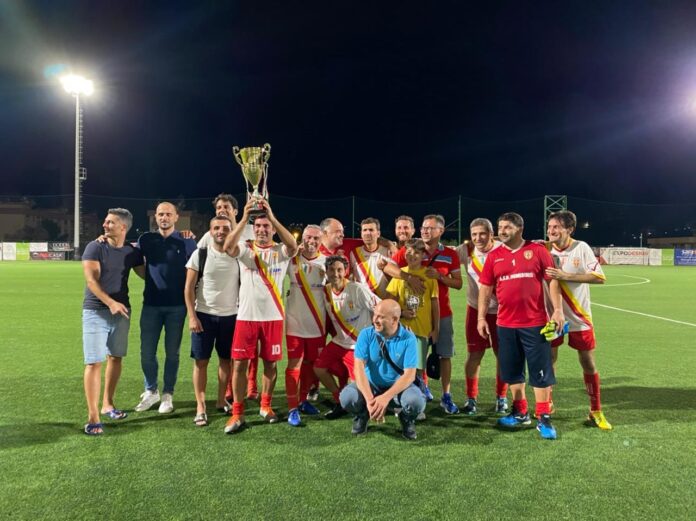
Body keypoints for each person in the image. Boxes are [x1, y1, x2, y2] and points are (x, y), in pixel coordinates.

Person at [477, 212, 564, 440]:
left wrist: (557, 310)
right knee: (512, 371)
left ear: (520, 229)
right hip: (505, 324)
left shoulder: (538, 251)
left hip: (535, 323)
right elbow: (485, 289)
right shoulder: (494, 256)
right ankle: (520, 412)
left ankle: (543, 417)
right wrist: (481, 318)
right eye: (500, 227)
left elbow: (552, 280)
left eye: (507, 227)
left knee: (540, 372)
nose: (502, 231)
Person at [222, 198, 298, 434]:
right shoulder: (245, 249)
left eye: (266, 227)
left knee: (270, 364)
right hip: (246, 317)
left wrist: (272, 216)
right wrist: (244, 217)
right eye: (258, 227)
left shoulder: (280, 251)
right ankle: (237, 413)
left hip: (273, 317)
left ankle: (266, 405)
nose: (262, 230)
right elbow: (227, 247)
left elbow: (293, 246)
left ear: (272, 229)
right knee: (239, 365)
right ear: (253, 229)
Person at [383, 214, 463, 413]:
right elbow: (387, 267)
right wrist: (408, 277)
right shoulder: (412, 249)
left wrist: (440, 277)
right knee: (413, 358)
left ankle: (446, 395)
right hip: (412, 316)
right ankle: (418, 390)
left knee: (444, 355)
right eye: (423, 227)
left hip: (441, 313)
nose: (425, 231)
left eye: (430, 228)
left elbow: (458, 283)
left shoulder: (450, 254)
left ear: (441, 231)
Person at [545, 210, 611, 430]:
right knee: (549, 360)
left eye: (556, 227)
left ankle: (595, 410)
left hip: (579, 316)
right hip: (552, 316)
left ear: (570, 229)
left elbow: (599, 277)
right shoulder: (544, 249)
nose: (551, 231)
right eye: (549, 227)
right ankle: (547, 403)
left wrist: (567, 276)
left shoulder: (581, 248)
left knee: (587, 362)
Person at [81, 208, 144, 435]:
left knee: (115, 358)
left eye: (110, 222)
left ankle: (108, 404)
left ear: (123, 227)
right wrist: (110, 303)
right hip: (95, 311)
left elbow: (148, 274)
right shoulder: (95, 247)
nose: (105, 225)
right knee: (94, 362)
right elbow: (91, 281)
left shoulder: (131, 252)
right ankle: (93, 417)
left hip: (121, 311)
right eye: (105, 221)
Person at [134, 202, 197, 414]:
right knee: (146, 352)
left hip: (177, 306)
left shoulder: (187, 241)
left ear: (176, 217)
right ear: (155, 217)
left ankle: (168, 394)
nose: (164, 217)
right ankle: (151, 390)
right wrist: (150, 279)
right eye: (160, 214)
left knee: (172, 354)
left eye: (168, 214)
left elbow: (194, 269)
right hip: (151, 305)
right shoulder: (146, 239)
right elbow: (136, 262)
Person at [196, 193, 257, 403]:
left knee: (249, 347)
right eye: (218, 208)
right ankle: (229, 389)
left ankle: (252, 384)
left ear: (236, 211)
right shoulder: (209, 235)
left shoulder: (250, 231)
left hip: (249, 297)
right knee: (230, 353)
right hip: (223, 303)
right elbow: (199, 260)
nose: (222, 210)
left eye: (226, 207)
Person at [339, 300, 426, 440]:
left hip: (398, 389)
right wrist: (370, 401)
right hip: (372, 386)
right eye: (375, 315)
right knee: (347, 397)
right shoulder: (366, 334)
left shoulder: (409, 338)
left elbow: (409, 376)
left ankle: (406, 418)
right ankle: (362, 414)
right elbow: (358, 369)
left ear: (394, 319)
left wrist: (385, 398)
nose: (375, 320)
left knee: (416, 402)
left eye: (381, 317)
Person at [184, 215, 240, 427]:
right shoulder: (201, 254)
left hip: (231, 317)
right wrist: (192, 316)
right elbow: (188, 288)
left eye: (225, 228)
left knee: (226, 360)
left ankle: (220, 399)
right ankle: (200, 407)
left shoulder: (238, 255)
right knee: (201, 362)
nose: (221, 232)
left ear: (231, 231)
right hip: (204, 316)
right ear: (210, 231)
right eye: (216, 228)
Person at [315, 255, 380, 419]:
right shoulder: (325, 292)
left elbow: (379, 306)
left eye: (339, 270)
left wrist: (395, 321)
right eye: (331, 270)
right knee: (318, 368)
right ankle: (339, 400)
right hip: (339, 342)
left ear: (345, 271)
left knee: (357, 387)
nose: (335, 274)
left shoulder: (357, 289)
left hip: (357, 345)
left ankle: (367, 406)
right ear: (326, 272)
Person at [455, 218, 508, 416]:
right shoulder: (465, 250)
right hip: (476, 310)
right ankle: (471, 398)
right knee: (474, 355)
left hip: (502, 312)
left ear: (492, 234)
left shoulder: (504, 249)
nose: (478, 238)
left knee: (502, 356)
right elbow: (441, 253)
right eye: (474, 234)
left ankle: (501, 397)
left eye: (482, 233)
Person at [385, 238, 439, 419]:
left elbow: (435, 304)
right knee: (400, 369)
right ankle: (400, 402)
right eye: (408, 252)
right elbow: (390, 303)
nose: (412, 255)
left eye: (416, 252)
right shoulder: (399, 275)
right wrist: (401, 313)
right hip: (400, 332)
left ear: (423, 255)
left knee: (418, 370)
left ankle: (418, 406)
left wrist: (436, 329)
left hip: (422, 331)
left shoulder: (429, 276)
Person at [284, 224, 327, 426]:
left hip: (317, 324)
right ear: (302, 238)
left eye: (316, 238)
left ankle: (302, 401)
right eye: (308, 237)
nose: (312, 241)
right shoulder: (291, 259)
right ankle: (292, 408)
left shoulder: (327, 262)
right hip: (294, 323)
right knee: (294, 364)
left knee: (311, 364)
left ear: (321, 241)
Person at [349, 217, 393, 296]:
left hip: (383, 299)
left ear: (378, 233)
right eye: (364, 230)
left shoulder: (387, 252)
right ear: (361, 234)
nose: (367, 233)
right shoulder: (354, 253)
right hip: (363, 300)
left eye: (371, 230)